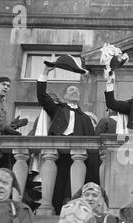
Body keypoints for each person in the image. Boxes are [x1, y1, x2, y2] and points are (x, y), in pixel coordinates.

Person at [37, 64, 99, 214]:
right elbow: (42, 96)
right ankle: (56, 210)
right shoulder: (57, 110)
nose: (74, 92)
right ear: (65, 96)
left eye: (77, 91)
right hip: (57, 153)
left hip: (78, 156)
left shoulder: (85, 118)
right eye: (71, 90)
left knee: (74, 186)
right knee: (57, 183)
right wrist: (44, 73)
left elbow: (91, 141)